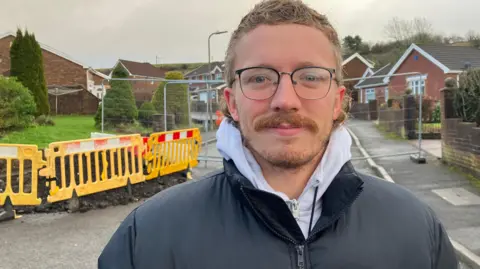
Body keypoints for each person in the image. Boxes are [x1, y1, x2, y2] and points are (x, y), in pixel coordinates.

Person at [98, 0, 458, 268]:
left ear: (337, 101)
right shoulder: (147, 238)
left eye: (311, 76)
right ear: (231, 103)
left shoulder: (416, 230)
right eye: (259, 78)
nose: (285, 100)